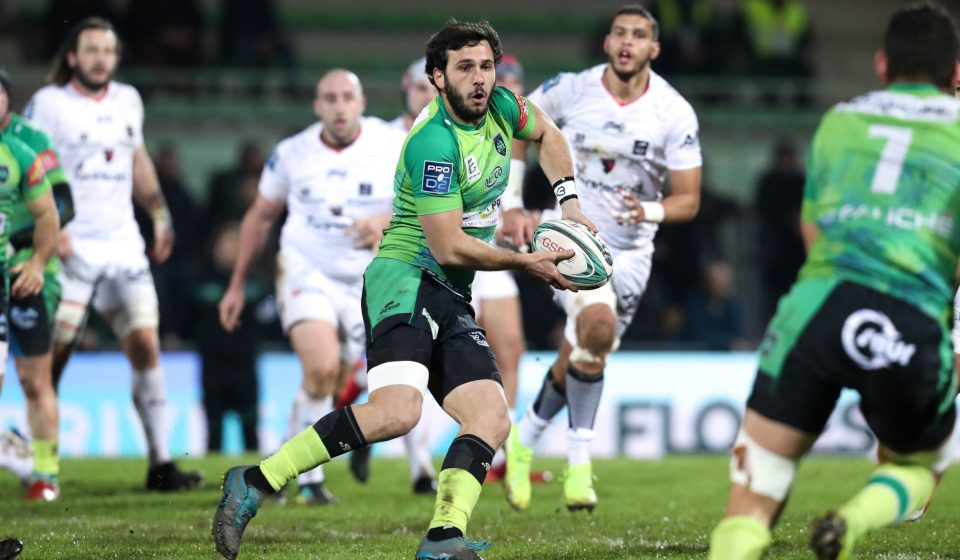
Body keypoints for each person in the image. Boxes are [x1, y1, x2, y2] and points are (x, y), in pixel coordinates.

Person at [212, 19, 596, 560]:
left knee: (490, 416)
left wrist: (570, 202)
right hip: (406, 276)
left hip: (450, 290)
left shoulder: (504, 108)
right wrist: (525, 262)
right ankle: (254, 480)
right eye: (464, 68)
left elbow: (550, 135)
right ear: (437, 78)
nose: (480, 79)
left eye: (486, 66)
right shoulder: (433, 141)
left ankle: (443, 536)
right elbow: (448, 246)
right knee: (398, 412)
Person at [708, 3, 960, 559]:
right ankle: (851, 520)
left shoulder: (840, 120)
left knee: (754, 497)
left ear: (881, 64)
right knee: (922, 462)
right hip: (910, 316)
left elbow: (812, 229)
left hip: (817, 305)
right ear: (955, 73)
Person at [506, 4, 702, 512]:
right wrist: (510, 203)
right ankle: (580, 468)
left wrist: (651, 209)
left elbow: (690, 199)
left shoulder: (674, 112)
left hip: (632, 253)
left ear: (653, 49)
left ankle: (523, 440)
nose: (627, 42)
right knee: (595, 326)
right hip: (571, 237)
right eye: (620, 32)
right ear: (607, 42)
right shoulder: (572, 88)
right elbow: (514, 123)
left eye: (638, 35)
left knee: (585, 350)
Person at [23, 17, 202, 491]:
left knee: (146, 345)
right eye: (92, 49)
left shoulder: (128, 100)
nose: (101, 57)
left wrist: (159, 211)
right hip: (70, 248)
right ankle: (42, 463)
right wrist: (49, 229)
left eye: (109, 49)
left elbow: (135, 156)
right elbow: (29, 168)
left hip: (122, 244)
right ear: (72, 57)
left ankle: (161, 464)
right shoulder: (48, 105)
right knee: (52, 361)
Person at [218, 68, 404, 505]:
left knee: (339, 376)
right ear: (317, 106)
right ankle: (311, 483)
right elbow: (261, 216)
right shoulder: (291, 154)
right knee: (320, 368)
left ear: (361, 103)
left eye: (347, 97)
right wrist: (236, 284)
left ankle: (272, 470)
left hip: (367, 277)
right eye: (330, 98)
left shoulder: (392, 146)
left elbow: (426, 209)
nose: (339, 107)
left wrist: (382, 222)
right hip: (306, 271)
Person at [0, 67, 74, 501]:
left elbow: (62, 203)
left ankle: (45, 474)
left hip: (29, 274)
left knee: (34, 379)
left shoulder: (30, 143)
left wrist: (27, 254)